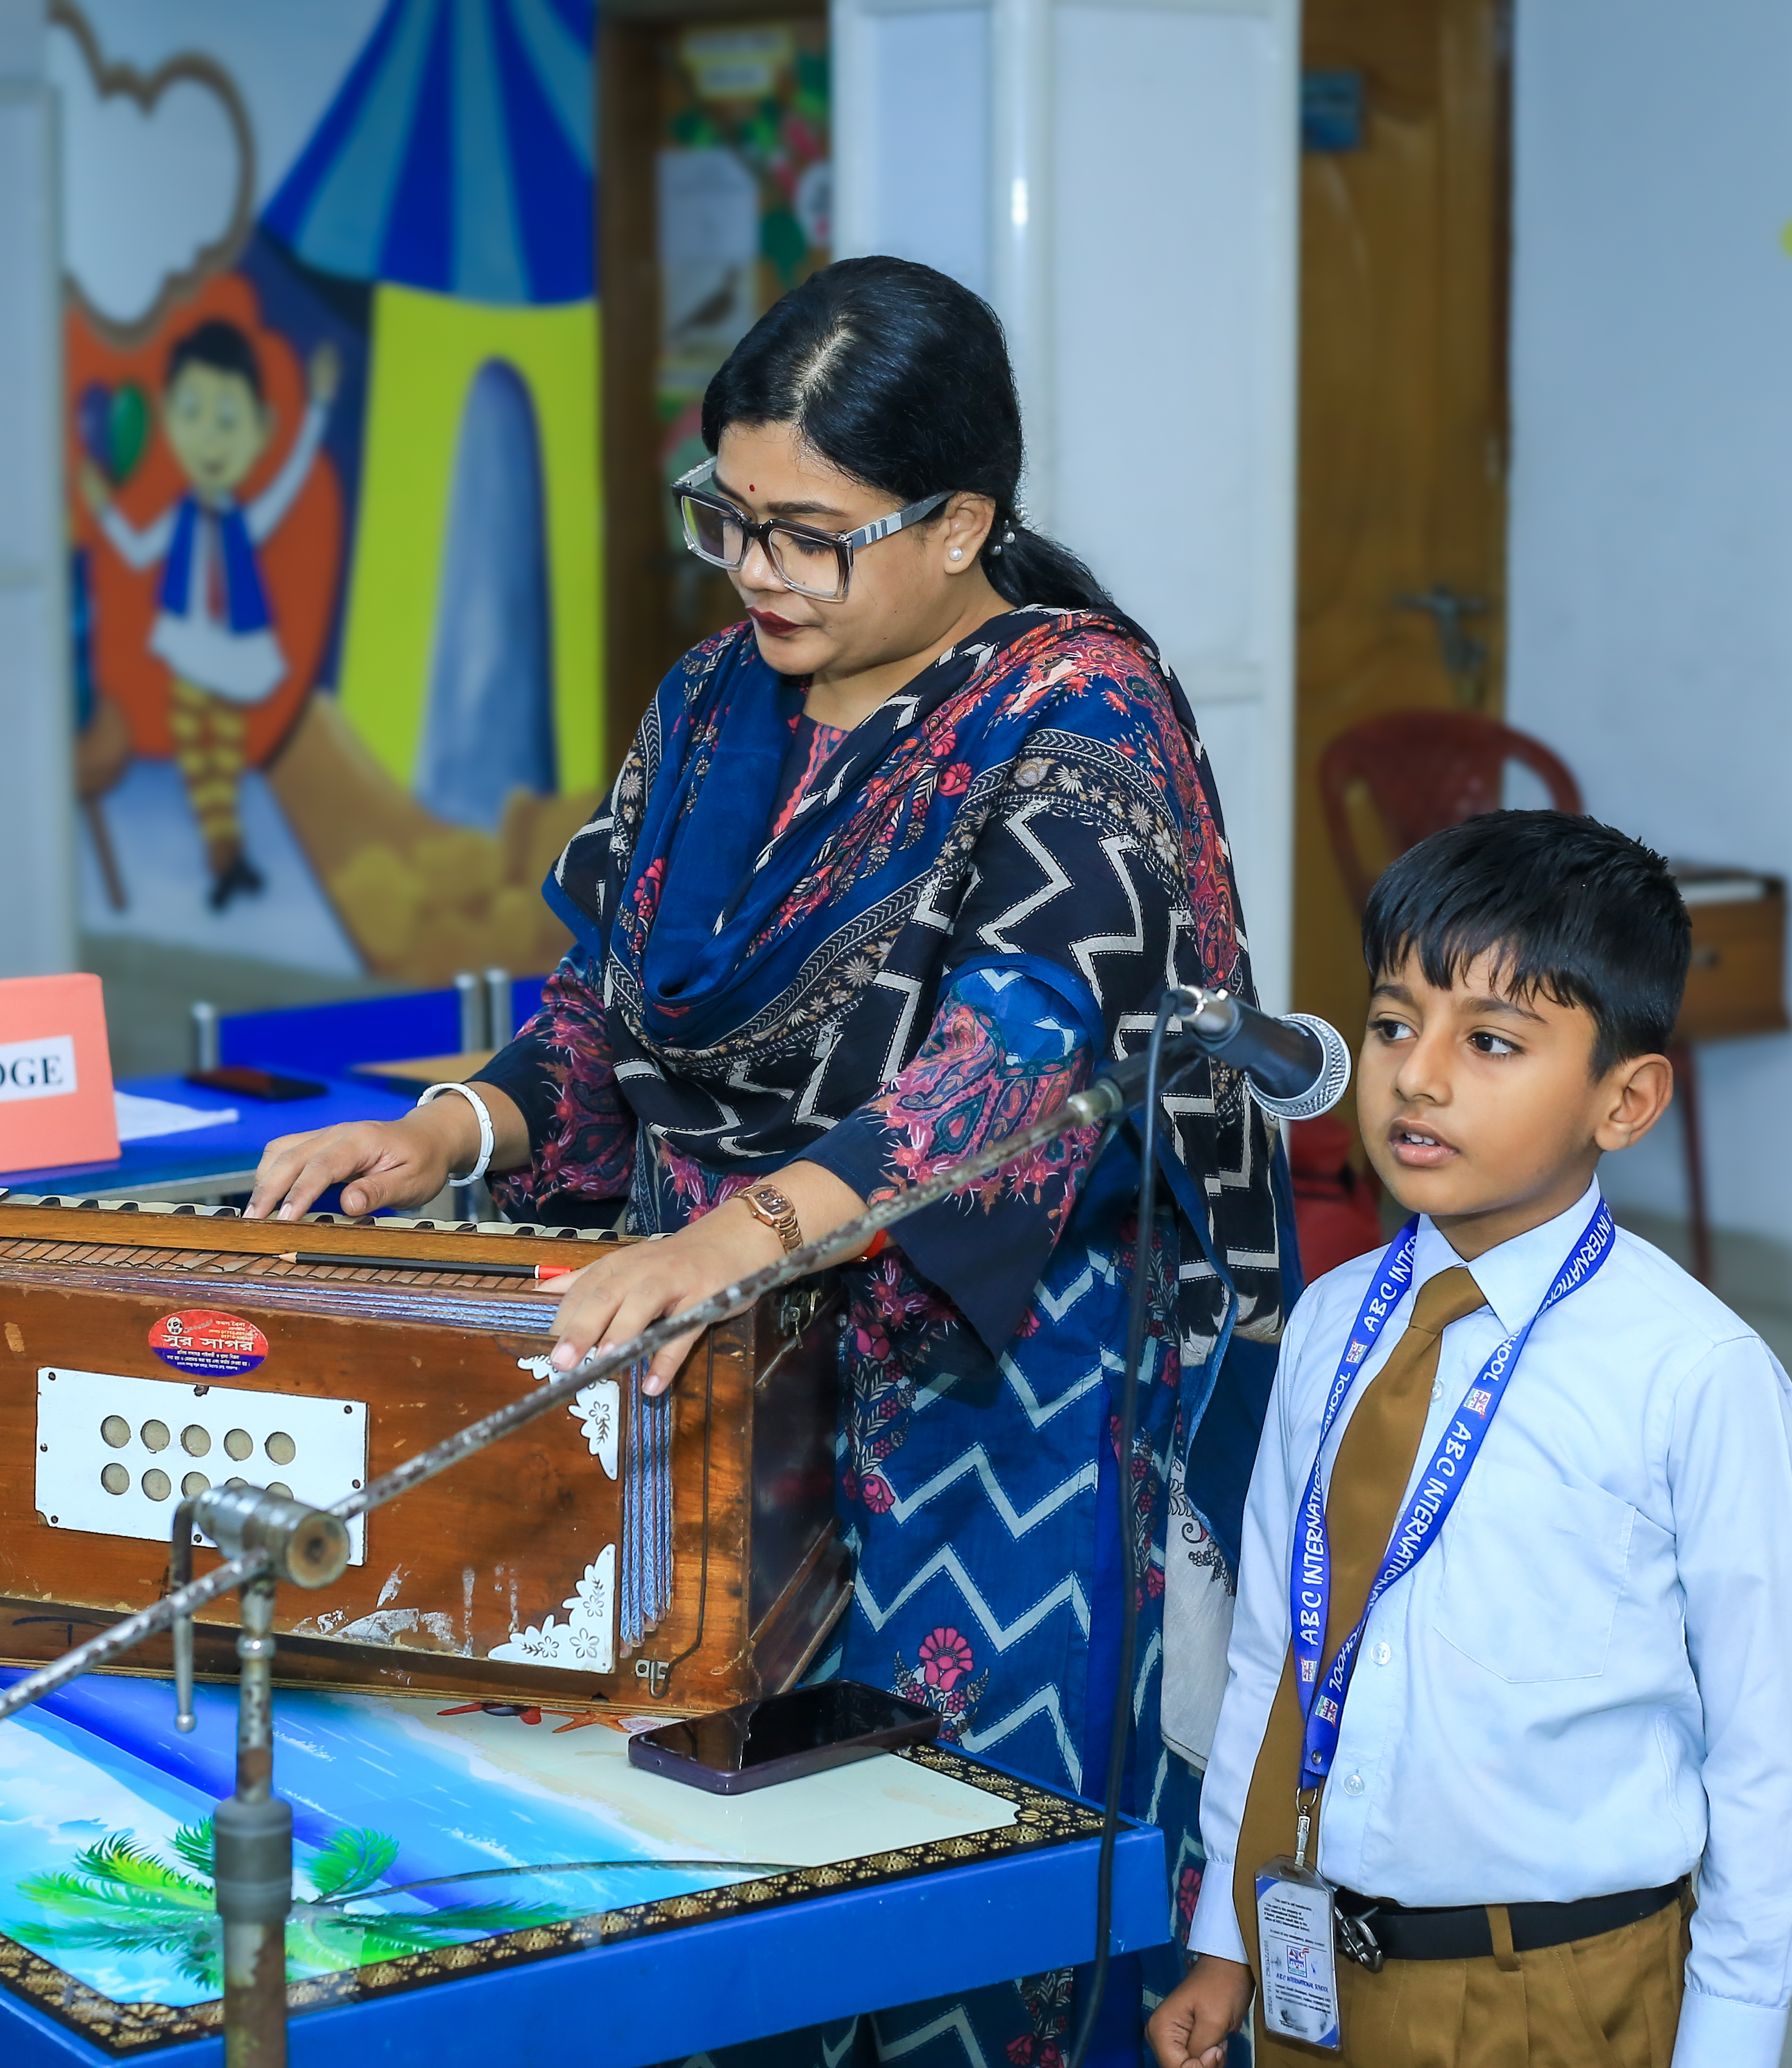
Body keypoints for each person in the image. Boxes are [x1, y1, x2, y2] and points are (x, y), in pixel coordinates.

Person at [247, 255, 1294, 2063]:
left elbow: (1022, 1056)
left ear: (961, 520)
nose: (758, 571)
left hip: (986, 1404)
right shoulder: (716, 702)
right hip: (710, 1360)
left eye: (812, 533)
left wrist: (749, 1229)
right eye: (728, 518)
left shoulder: (1074, 709)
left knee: (940, 1861)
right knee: (683, 1842)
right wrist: (449, 1126)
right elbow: (608, 1007)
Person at [1148, 811, 1792, 2068]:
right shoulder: (1330, 1327)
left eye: (1494, 1041)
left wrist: (1731, 2046)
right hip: (1319, 1973)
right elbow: (1270, 1656)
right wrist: (1226, 1940)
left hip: (1555, 1988)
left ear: (1625, 1100)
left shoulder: (1696, 1373)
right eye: (1396, 1023)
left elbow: (1763, 1755)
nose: (1420, 1076)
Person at [81, 317, 338, 909]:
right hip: (185, 649)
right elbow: (139, 549)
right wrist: (105, 510)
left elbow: (294, 479)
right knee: (200, 765)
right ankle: (226, 856)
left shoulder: (245, 523)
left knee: (222, 759)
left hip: (233, 654)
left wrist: (319, 410)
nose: (210, 439)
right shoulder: (180, 519)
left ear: (261, 430)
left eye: (228, 420)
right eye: (192, 413)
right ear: (168, 415)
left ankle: (227, 856)